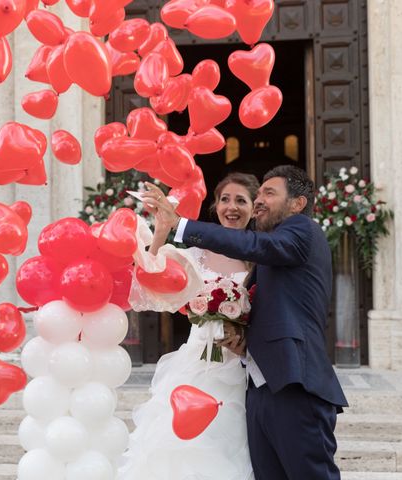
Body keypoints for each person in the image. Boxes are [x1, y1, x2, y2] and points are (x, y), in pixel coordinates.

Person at [143, 165, 348, 480]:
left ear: (297, 204)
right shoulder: (275, 250)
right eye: (261, 192)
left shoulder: (302, 231)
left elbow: (255, 246)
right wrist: (242, 336)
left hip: (294, 384)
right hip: (259, 384)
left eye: (269, 193)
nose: (260, 200)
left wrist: (179, 225)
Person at [119, 173, 259, 480]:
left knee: (229, 438)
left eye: (240, 200)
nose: (231, 207)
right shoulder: (197, 252)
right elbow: (152, 278)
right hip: (195, 361)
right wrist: (161, 231)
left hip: (239, 366)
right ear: (215, 206)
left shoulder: (259, 256)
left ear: (253, 207)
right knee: (175, 439)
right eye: (224, 199)